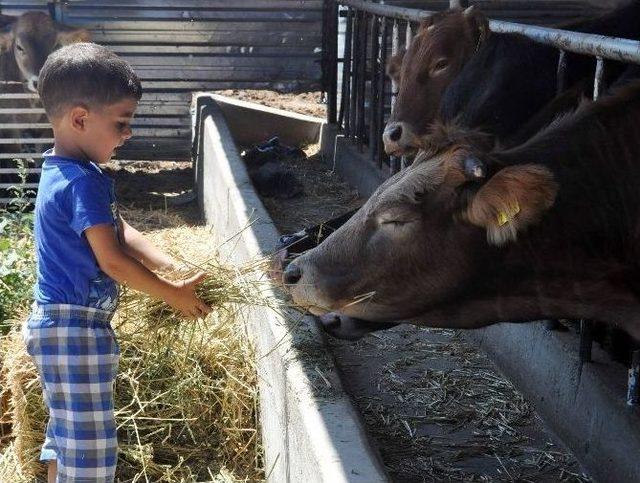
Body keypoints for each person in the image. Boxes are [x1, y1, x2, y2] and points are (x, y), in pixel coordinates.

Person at [22, 42, 211, 483]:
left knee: (67, 437)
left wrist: (173, 266)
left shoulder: (64, 171)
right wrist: (173, 295)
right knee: (90, 456)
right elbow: (113, 261)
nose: (127, 135)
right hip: (74, 329)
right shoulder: (81, 182)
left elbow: (122, 232)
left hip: (62, 326)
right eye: (121, 123)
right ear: (81, 119)